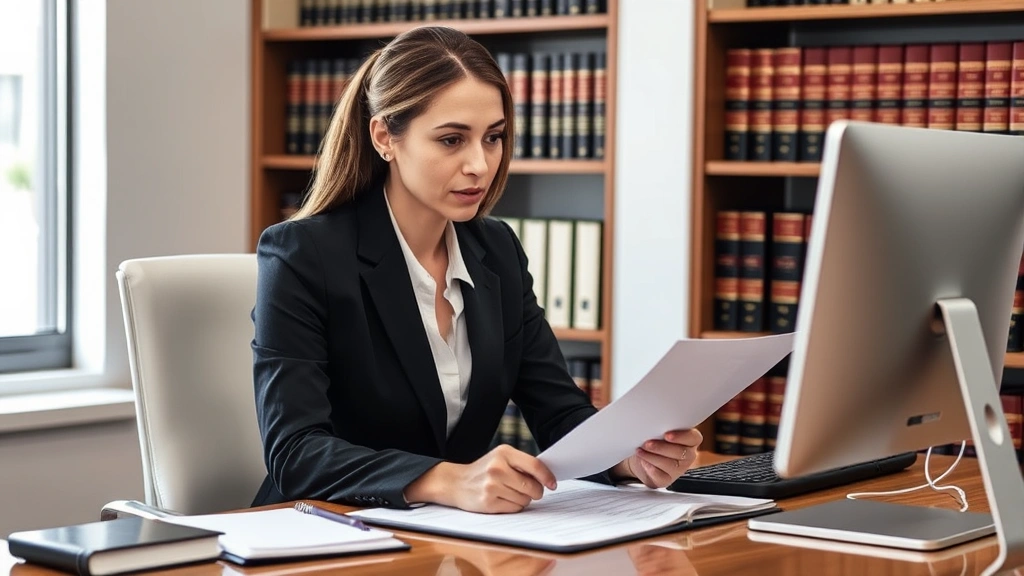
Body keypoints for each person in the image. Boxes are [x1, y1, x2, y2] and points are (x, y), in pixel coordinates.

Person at [250, 25, 701, 514]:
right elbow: (294, 453)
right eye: (451, 140)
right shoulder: (301, 254)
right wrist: (444, 481)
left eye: (493, 138)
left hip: (451, 541)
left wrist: (628, 458)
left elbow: (559, 412)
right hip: (326, 534)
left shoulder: (497, 250)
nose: (480, 165)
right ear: (385, 137)